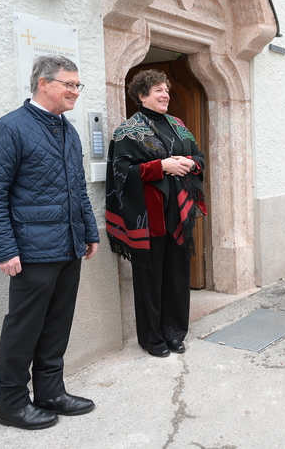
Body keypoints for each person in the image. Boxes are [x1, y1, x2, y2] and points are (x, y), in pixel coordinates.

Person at [0, 55, 99, 430]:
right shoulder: (9, 129)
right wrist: (4, 249)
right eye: (69, 84)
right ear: (43, 84)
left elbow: (77, 189)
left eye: (78, 85)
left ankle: (50, 392)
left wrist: (89, 232)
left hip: (68, 246)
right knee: (24, 327)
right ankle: (12, 404)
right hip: (31, 251)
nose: (75, 92)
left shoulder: (67, 129)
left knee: (57, 324)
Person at [106, 69, 206, 359]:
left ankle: (175, 333)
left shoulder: (178, 125)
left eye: (166, 89)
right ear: (142, 95)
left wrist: (184, 163)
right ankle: (152, 338)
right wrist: (161, 167)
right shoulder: (127, 131)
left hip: (179, 213)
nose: (165, 95)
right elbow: (121, 172)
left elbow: (198, 157)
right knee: (150, 279)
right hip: (148, 217)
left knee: (177, 274)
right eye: (158, 90)